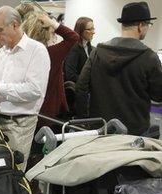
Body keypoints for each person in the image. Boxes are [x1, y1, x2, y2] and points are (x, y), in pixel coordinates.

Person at [0, 6, 50, 172]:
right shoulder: (3, 51)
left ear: (15, 25)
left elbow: (34, 90)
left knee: (14, 172)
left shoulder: (36, 51)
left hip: (19, 124)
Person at [76, 1, 162, 136]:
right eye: (148, 25)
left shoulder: (97, 52)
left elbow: (81, 87)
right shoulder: (149, 57)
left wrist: (84, 120)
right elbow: (158, 95)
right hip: (134, 133)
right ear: (140, 26)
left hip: (100, 129)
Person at [22, 12, 79, 120]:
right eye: (52, 33)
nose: (55, 35)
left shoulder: (24, 52)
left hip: (29, 109)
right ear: (45, 33)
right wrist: (53, 23)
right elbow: (73, 37)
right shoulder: (51, 53)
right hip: (51, 111)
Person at [64, 17, 95, 83]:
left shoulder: (90, 47)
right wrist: (88, 82)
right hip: (76, 89)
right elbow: (70, 75)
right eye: (89, 29)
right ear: (80, 31)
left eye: (93, 28)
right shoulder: (73, 48)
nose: (93, 32)